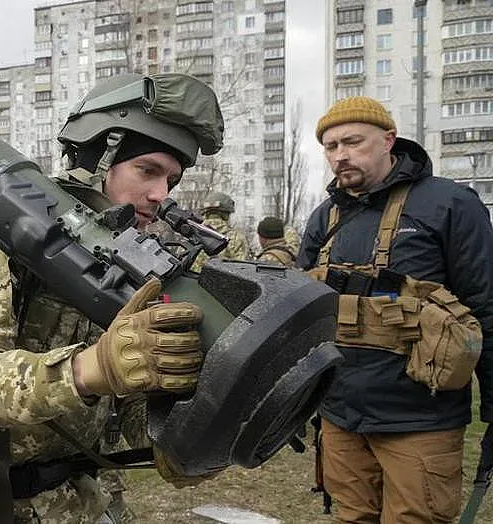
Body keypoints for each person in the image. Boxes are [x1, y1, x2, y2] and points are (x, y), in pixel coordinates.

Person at [0, 73, 221, 523]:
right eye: (148, 170)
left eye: (171, 180)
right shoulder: (4, 234)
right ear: (100, 159)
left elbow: (129, 402)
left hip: (76, 498)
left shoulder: (138, 260)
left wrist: (182, 430)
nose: (160, 195)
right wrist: (93, 368)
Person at [298, 96, 493, 523]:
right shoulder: (325, 217)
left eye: (352, 142)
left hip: (421, 418)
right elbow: (298, 313)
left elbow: (486, 310)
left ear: (388, 140)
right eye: (330, 147)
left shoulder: (450, 205)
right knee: (351, 518)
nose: (340, 156)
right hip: (340, 414)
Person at [190, 191, 250, 271]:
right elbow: (243, 271)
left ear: (205, 212)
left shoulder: (191, 234)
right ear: (227, 214)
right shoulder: (237, 238)